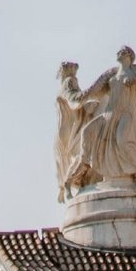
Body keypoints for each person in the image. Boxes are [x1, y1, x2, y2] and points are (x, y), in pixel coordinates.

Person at [77, 47, 136, 190]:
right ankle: (85, 166)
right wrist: (76, 97)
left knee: (122, 141)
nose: (119, 52)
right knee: (87, 131)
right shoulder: (111, 72)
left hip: (127, 114)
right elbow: (93, 90)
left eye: (123, 51)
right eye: (119, 51)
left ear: (130, 55)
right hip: (109, 114)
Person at [53, 61, 98, 201]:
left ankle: (70, 185)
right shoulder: (69, 82)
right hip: (72, 127)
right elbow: (75, 101)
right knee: (81, 153)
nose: (74, 74)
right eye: (72, 69)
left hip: (63, 129)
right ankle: (71, 182)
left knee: (74, 155)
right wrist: (92, 99)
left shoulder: (62, 87)